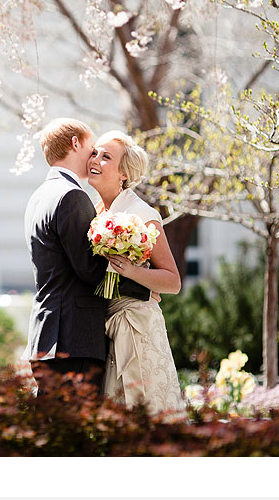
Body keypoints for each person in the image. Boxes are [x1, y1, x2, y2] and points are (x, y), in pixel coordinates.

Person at [21, 119, 156, 398]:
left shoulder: (39, 196)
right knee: (74, 434)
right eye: (92, 149)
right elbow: (91, 272)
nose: (94, 157)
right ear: (75, 144)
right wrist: (144, 289)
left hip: (47, 335)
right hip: (73, 339)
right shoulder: (71, 196)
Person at [87, 130, 185, 415]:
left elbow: (173, 281)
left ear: (123, 174)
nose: (95, 159)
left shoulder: (142, 215)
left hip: (138, 327)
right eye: (95, 153)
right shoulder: (94, 212)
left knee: (144, 410)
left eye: (106, 156)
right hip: (105, 326)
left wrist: (131, 271)